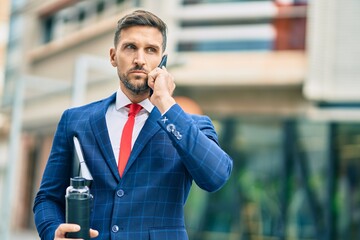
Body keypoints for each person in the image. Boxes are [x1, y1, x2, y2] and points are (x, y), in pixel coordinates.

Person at [33, 10, 233, 240]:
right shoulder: (75, 120)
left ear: (162, 61)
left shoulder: (191, 125)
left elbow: (216, 177)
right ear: (113, 56)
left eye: (151, 50)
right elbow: (47, 198)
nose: (140, 59)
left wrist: (166, 103)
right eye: (130, 47)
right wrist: (53, 232)